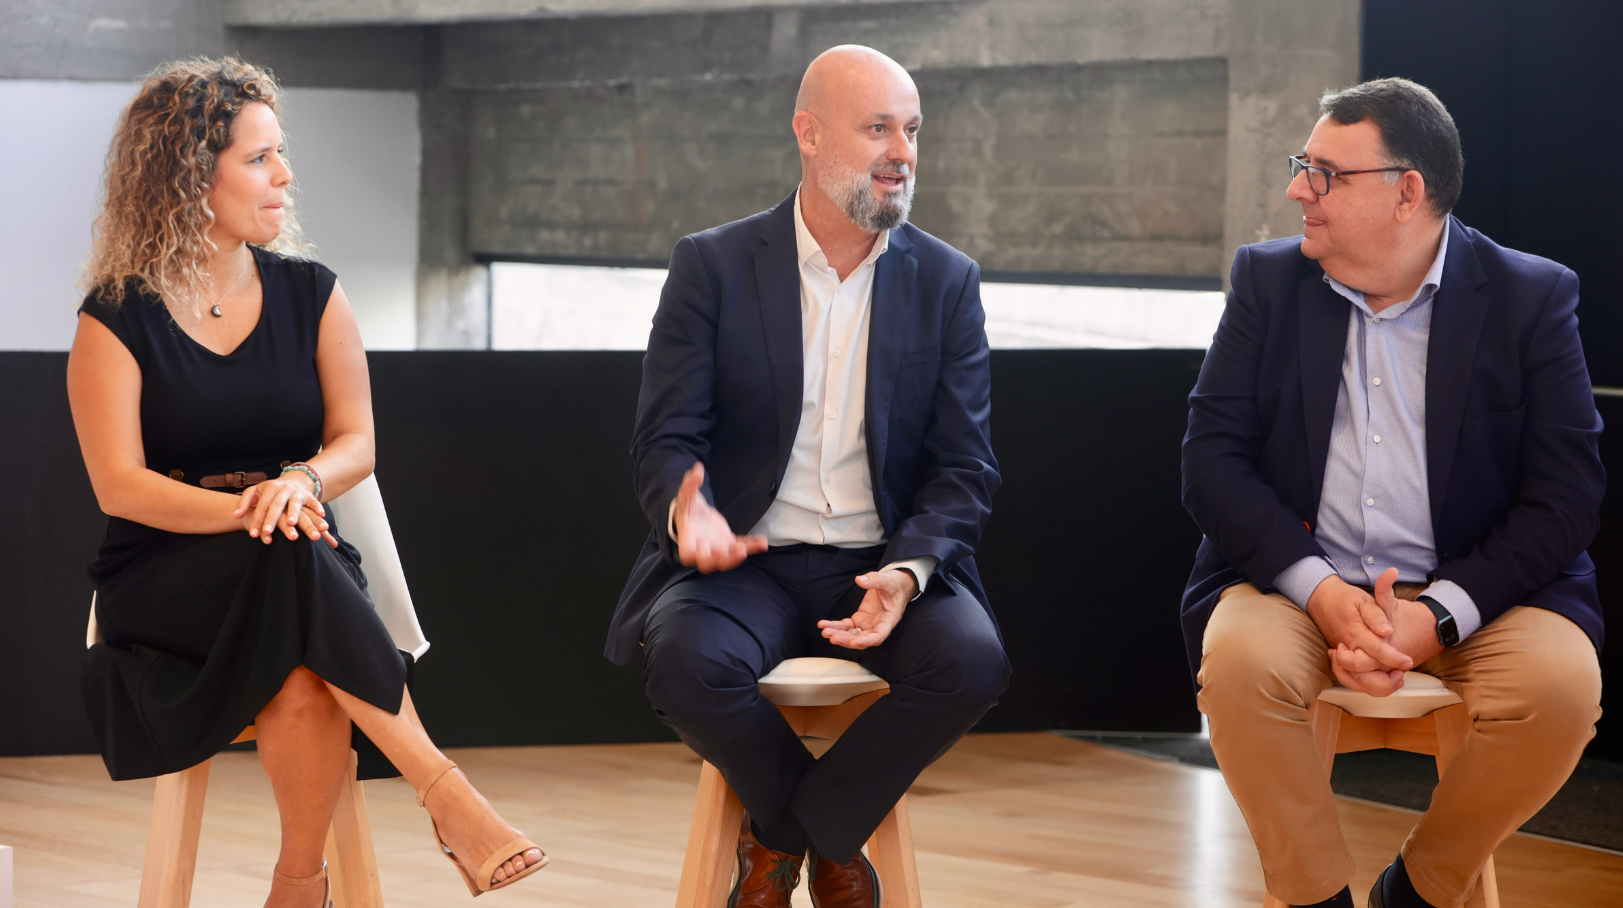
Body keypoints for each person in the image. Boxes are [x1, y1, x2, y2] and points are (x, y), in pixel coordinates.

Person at [67, 59, 547, 907]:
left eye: (279, 154)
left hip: (296, 549)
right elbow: (122, 488)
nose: (284, 175)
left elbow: (356, 443)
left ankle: (301, 886)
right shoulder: (116, 316)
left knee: (299, 668)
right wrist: (258, 506)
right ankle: (442, 792)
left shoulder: (312, 295)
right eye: (259, 159)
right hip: (166, 576)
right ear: (187, 174)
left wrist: (299, 483)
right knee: (285, 544)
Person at [1180, 77, 1604, 908]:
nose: (1297, 189)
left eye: (1324, 173)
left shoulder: (1529, 296)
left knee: (1560, 688)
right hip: (1299, 585)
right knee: (1237, 666)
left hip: (1479, 593)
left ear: (1406, 192)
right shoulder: (1267, 283)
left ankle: (1418, 888)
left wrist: (1434, 615)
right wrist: (1324, 594)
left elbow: (1564, 497)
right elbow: (1211, 462)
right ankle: (1315, 899)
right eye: (1303, 166)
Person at [606, 45, 1010, 908]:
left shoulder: (946, 281)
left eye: (911, 130)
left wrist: (906, 573)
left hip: (879, 558)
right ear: (808, 134)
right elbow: (665, 439)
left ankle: (782, 837)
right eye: (876, 129)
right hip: (745, 562)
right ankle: (829, 839)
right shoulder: (711, 266)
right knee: (682, 665)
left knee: (972, 664)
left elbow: (964, 467)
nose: (900, 150)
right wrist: (691, 511)